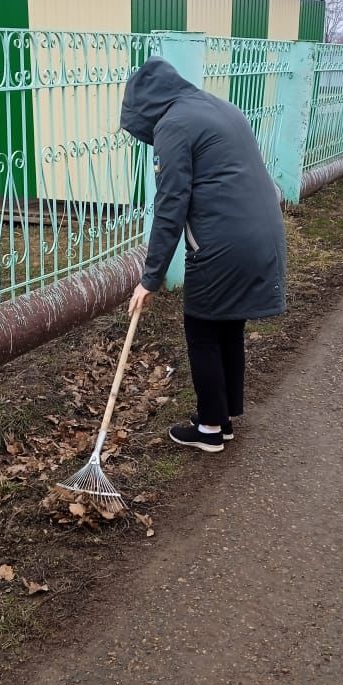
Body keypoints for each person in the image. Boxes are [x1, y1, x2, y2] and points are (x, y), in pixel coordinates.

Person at [120, 56, 287, 454]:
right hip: (262, 231)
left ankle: (210, 427)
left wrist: (150, 277)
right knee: (227, 324)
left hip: (224, 241)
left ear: (146, 105)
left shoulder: (174, 125)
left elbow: (171, 203)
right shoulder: (217, 107)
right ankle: (224, 416)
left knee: (201, 329)